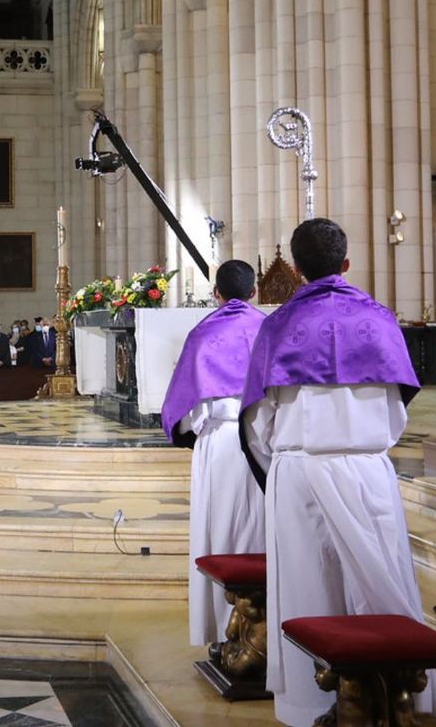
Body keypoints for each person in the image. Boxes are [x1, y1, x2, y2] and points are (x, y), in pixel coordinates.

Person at [239, 218, 436, 725]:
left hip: (299, 470)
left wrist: (281, 462)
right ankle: (394, 698)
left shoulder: (278, 325)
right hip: (367, 469)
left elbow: (258, 419)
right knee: (380, 581)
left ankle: (308, 705)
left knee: (307, 586)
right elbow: (397, 411)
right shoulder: (379, 319)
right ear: (346, 263)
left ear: (296, 269)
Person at [160, 259, 268, 647]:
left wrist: (193, 430)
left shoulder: (204, 332)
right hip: (263, 440)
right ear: (254, 292)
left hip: (219, 441)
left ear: (216, 294)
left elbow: (185, 409)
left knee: (220, 530)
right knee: (261, 530)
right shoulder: (268, 329)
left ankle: (225, 631)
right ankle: (265, 632)